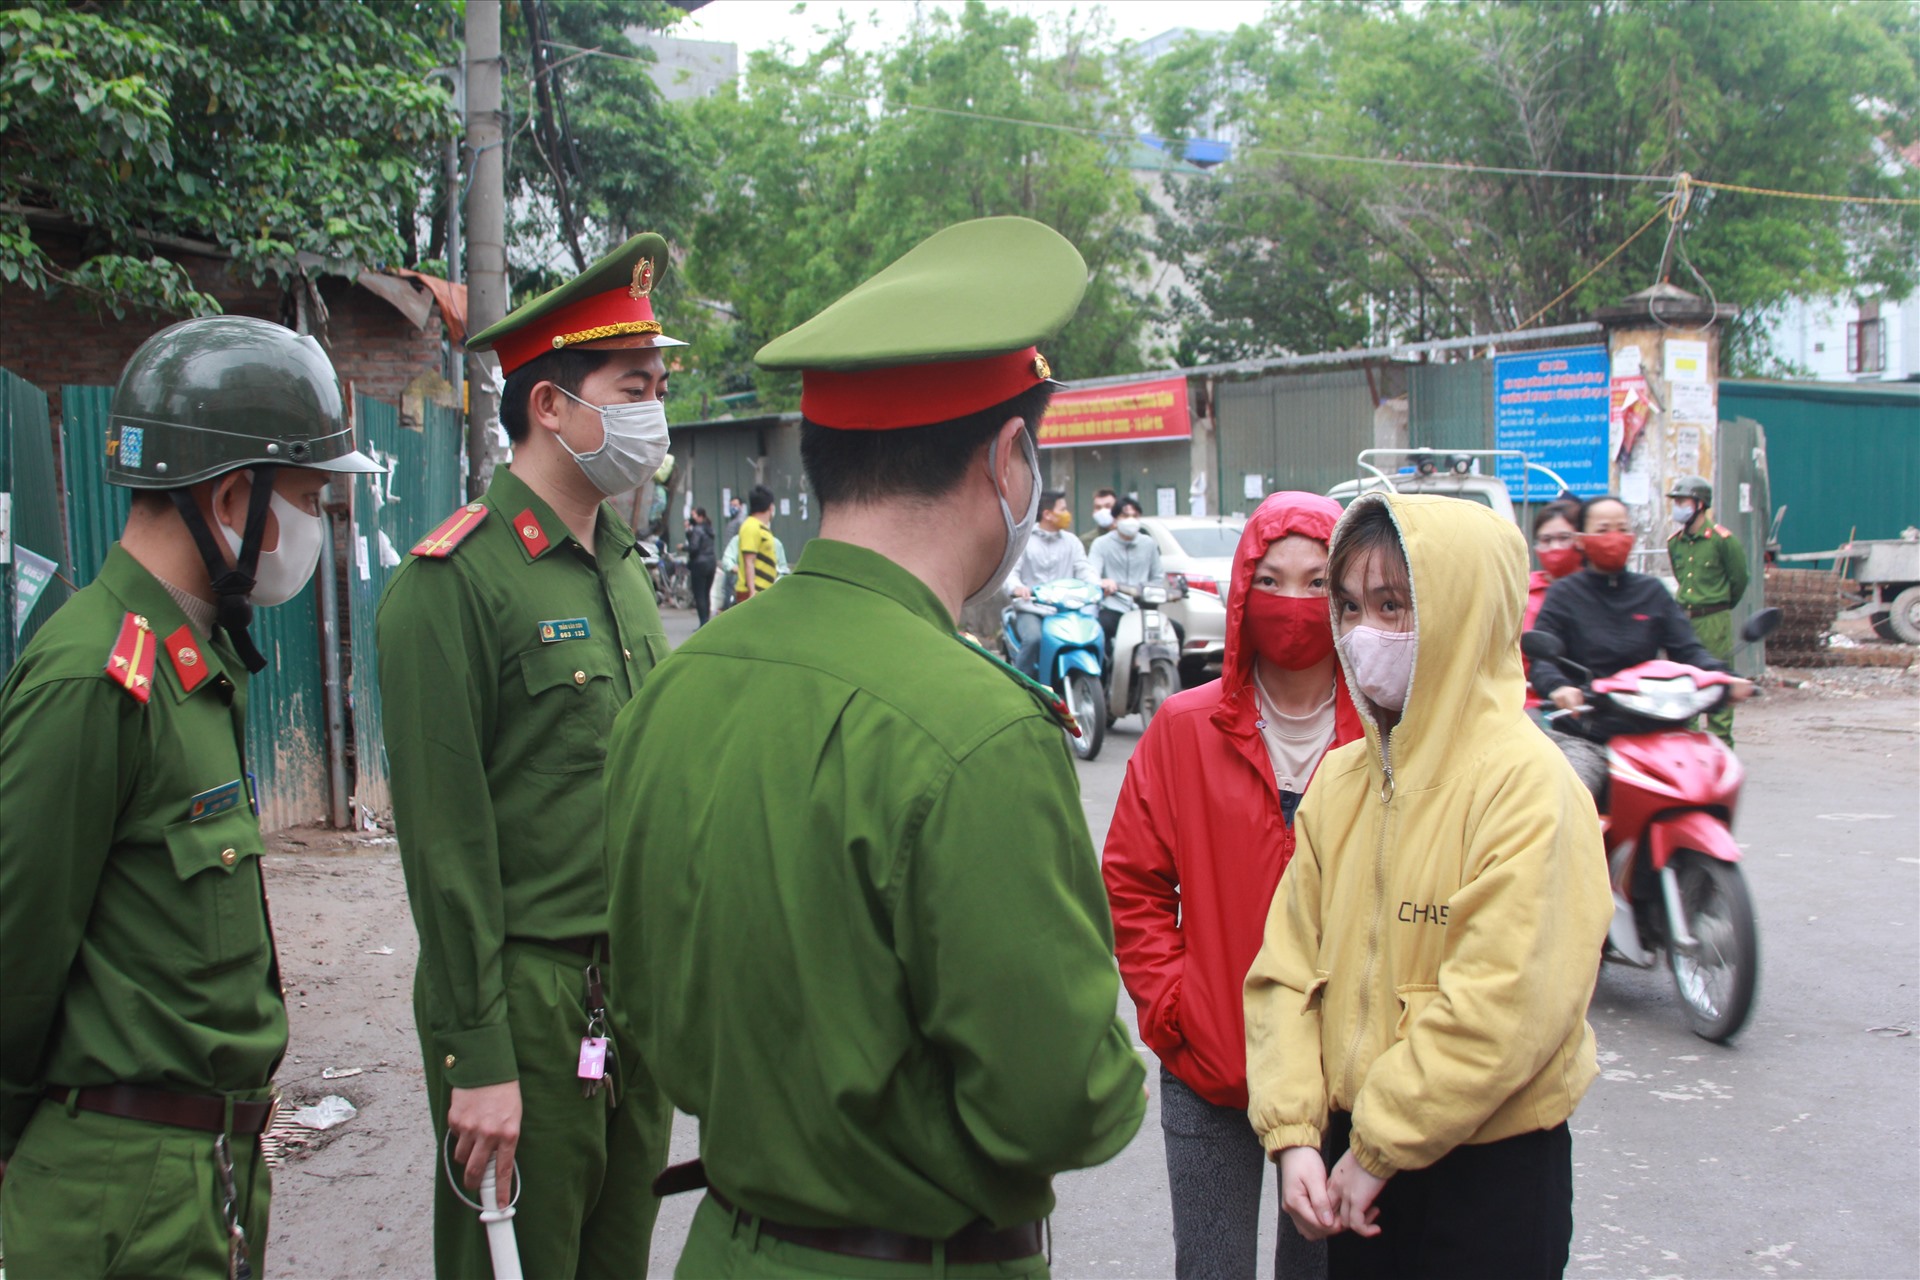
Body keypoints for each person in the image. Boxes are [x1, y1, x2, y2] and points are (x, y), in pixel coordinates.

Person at [602, 215, 1146, 1279]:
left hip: (728, 1246)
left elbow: (645, 1009)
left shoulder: (675, 687)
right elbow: (1065, 1099)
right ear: (1009, 459)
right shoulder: (978, 730)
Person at [0, 316, 382, 1276]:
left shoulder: (192, 668)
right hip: (116, 1194)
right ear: (228, 500)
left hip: (201, 1177)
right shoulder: (96, 678)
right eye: (308, 499)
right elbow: (11, 963)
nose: (318, 531)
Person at [377, 232, 680, 1279]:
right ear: (551, 405)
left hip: (630, 1008)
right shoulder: (453, 585)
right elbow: (446, 846)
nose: (654, 411)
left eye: (658, 385)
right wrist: (479, 1057)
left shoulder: (625, 569)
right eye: (633, 386)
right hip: (532, 1006)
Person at [1244, 491, 1613, 1280]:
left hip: (1489, 1174)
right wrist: (1295, 1137)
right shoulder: (1340, 782)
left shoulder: (1526, 786)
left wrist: (1378, 1147)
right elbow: (1282, 974)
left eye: (1392, 605)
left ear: (1462, 611)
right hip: (1350, 1162)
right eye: (1347, 605)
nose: (1361, 632)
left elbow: (1501, 1006)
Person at [1104, 491, 1363, 1280]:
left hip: (1340, 1075)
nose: (1294, 604)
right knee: (1210, 1268)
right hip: (1209, 1064)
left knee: (1319, 1272)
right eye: (1273, 580)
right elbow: (1133, 881)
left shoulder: (1384, 731)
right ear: (1243, 591)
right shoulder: (1184, 728)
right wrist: (1176, 1006)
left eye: (1319, 583)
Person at [1529, 494, 1751, 796]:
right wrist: (1559, 687)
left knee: (1710, 786)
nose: (1614, 538)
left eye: (1622, 529)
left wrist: (1722, 676)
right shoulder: (1564, 595)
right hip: (1588, 732)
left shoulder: (1651, 592)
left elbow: (1688, 650)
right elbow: (1544, 660)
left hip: (1654, 730)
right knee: (1570, 800)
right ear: (1581, 540)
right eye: (1603, 529)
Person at [1666, 475, 1749, 747]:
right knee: (1686, 686)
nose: (1678, 506)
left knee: (1718, 681)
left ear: (1700, 504)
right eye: (1676, 501)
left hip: (1714, 619)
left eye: (1682, 501)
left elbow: (1739, 580)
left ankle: (1721, 745)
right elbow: (1682, 578)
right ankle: (1688, 746)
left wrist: (1718, 606)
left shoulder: (1722, 541)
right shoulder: (1675, 543)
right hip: (1685, 619)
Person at [1006, 489, 1096, 672]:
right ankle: (1024, 686)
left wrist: (1098, 584)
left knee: (1092, 634)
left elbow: (1084, 569)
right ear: (1047, 514)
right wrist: (1017, 588)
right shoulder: (1024, 541)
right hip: (1032, 609)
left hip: (1066, 609)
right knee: (1034, 640)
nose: (1067, 514)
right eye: (1062, 509)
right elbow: (1010, 573)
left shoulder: (1072, 542)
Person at [1524, 497, 1585, 713]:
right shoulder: (1521, 591)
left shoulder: (1601, 592)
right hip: (1533, 705)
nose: (1555, 547)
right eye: (1546, 540)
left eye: (1564, 538)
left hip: (1592, 704)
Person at [1088, 496, 1165, 653]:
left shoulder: (1148, 544)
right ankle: (1104, 675)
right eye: (1125, 516)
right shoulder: (1101, 544)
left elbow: (1157, 577)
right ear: (1115, 520)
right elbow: (1091, 574)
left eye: (1135, 516)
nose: (1131, 520)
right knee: (1099, 632)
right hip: (1113, 607)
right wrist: (1103, 583)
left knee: (1176, 631)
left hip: (1143, 608)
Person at [734, 484, 778, 602]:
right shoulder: (751, 527)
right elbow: (749, 561)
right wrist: (752, 591)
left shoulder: (761, 527)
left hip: (764, 590)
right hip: (754, 593)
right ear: (771, 506)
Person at [686, 506, 717, 626]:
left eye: (693, 515)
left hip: (699, 564)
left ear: (700, 516)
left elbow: (693, 547)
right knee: (706, 593)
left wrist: (683, 547)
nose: (691, 518)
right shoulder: (709, 529)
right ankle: (707, 622)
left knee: (699, 594)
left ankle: (703, 622)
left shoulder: (697, 529)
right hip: (711, 562)